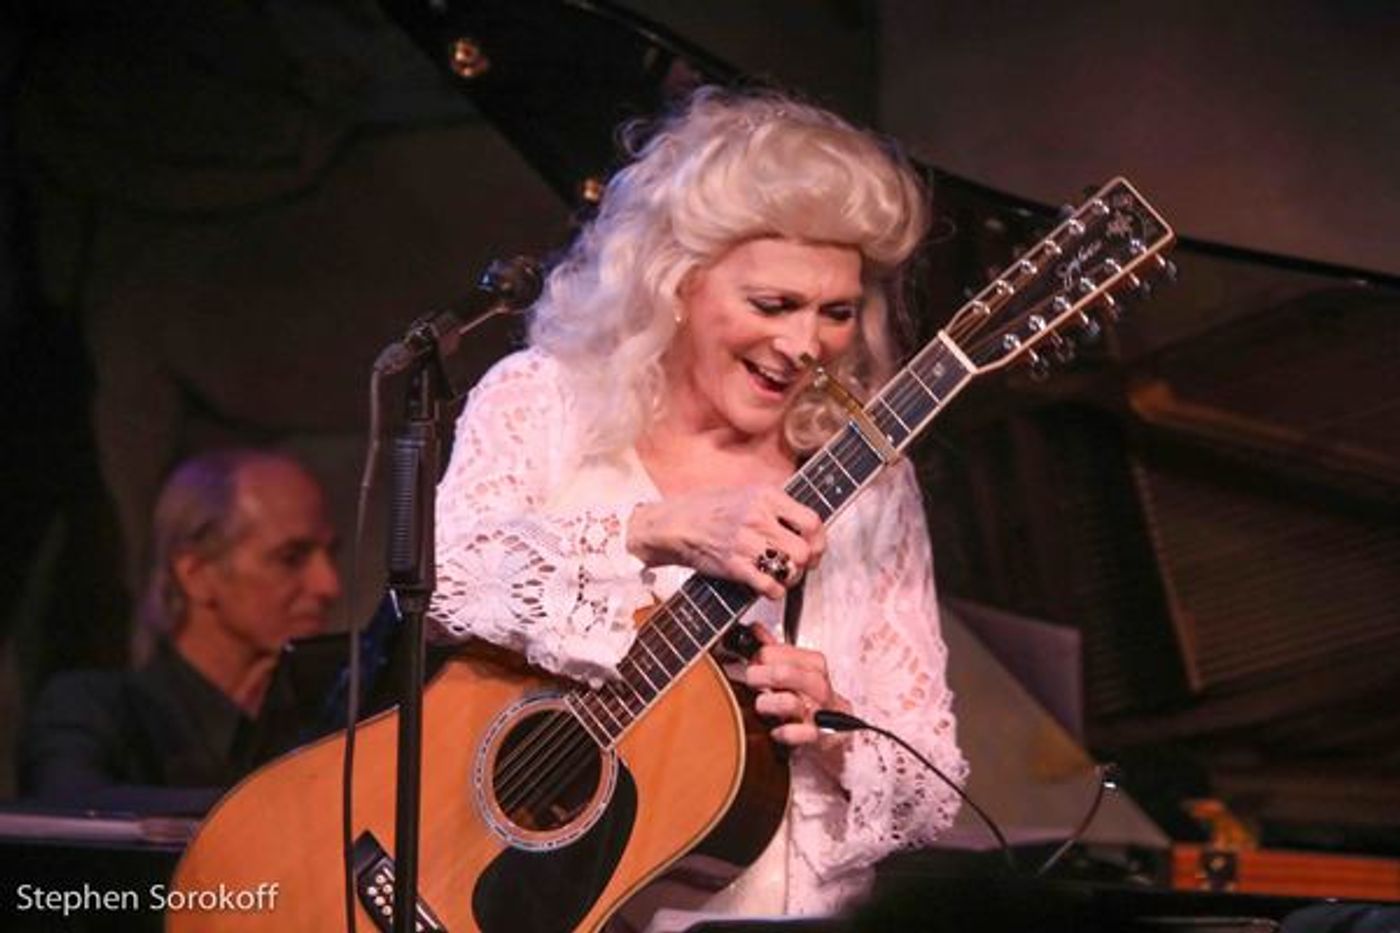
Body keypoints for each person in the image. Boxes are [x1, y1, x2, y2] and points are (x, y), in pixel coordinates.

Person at [429, 87, 966, 924]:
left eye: (835, 311)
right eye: (772, 304)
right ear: (675, 282)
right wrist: (654, 527)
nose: (803, 346)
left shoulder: (868, 480)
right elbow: (443, 582)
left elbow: (933, 798)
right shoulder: (544, 402)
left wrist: (836, 726)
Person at [19, 449, 342, 814]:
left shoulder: (328, 719)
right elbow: (66, 807)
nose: (329, 584)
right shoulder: (93, 707)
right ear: (196, 573)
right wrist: (272, 805)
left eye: (331, 555)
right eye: (291, 557)